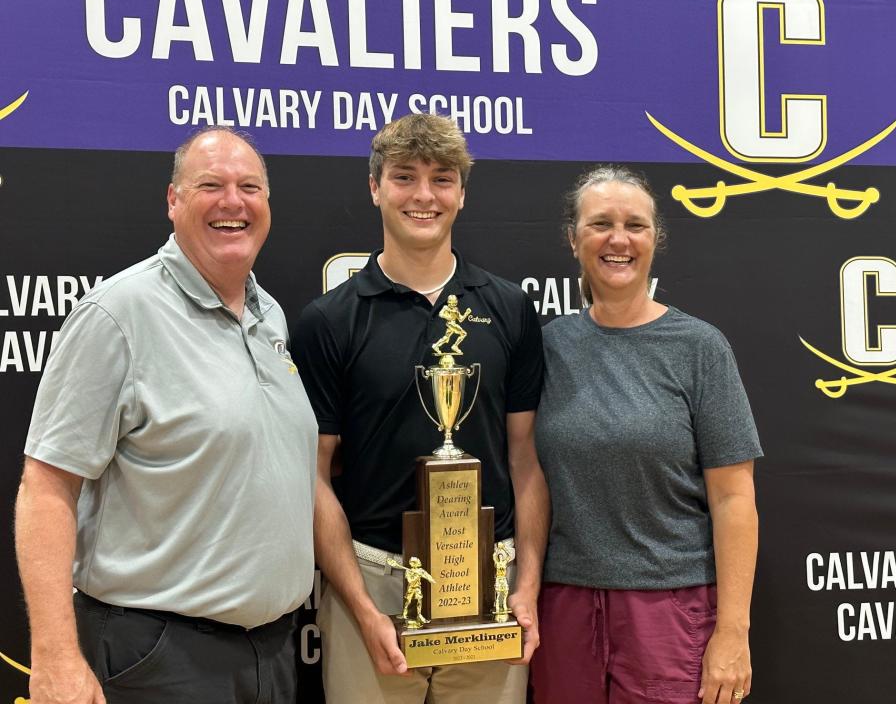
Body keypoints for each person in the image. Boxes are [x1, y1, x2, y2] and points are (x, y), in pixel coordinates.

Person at [14, 127, 318, 704]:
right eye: (211, 185)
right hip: (160, 659)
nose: (234, 201)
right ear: (173, 201)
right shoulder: (118, 314)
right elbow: (47, 485)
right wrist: (54, 656)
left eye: (250, 187)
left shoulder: (267, 314)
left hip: (272, 655)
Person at [291, 113, 548, 704]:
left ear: (462, 192)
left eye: (443, 178)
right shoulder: (329, 320)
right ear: (376, 187)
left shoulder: (508, 308)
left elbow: (525, 460)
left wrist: (526, 584)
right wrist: (358, 605)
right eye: (405, 177)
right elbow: (313, 476)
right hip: (376, 586)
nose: (424, 196)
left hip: (489, 585)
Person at [530, 166, 762, 704]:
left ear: (655, 239)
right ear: (573, 238)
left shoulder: (699, 347)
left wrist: (733, 631)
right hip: (564, 607)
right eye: (601, 224)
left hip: (670, 609)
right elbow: (530, 479)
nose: (619, 239)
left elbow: (734, 497)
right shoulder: (548, 348)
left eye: (635, 225)